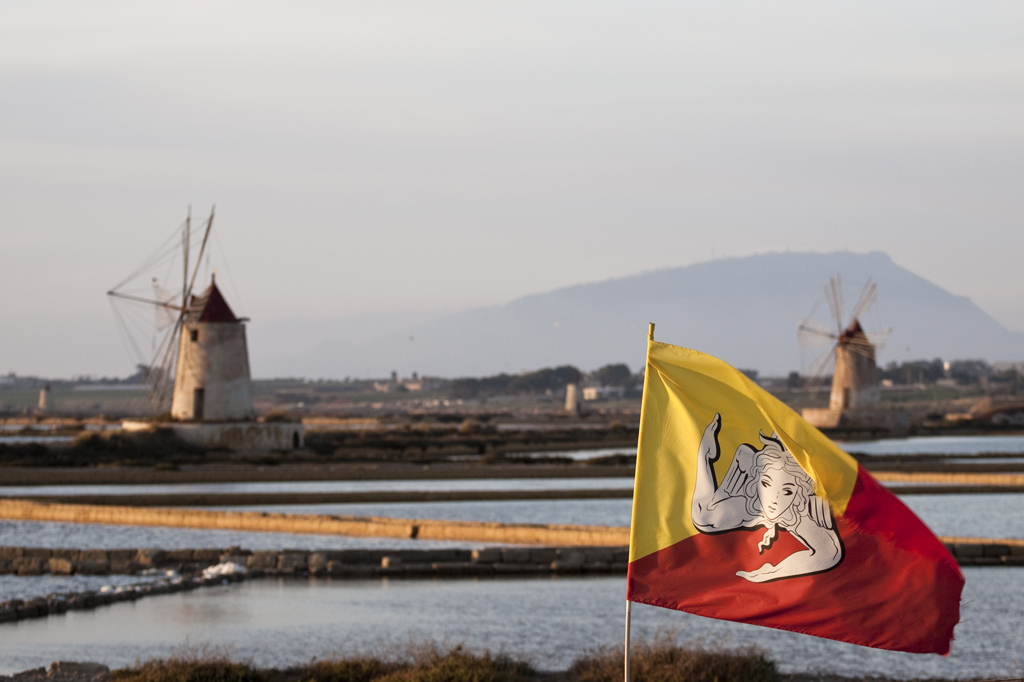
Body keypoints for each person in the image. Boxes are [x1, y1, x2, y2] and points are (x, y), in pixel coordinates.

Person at [691, 413, 843, 583]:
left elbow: (831, 553)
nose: (774, 501)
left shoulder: (797, 516)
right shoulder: (751, 505)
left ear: (799, 494)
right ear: (756, 480)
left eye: (787, 492)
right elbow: (703, 516)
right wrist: (704, 455)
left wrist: (771, 573)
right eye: (766, 483)